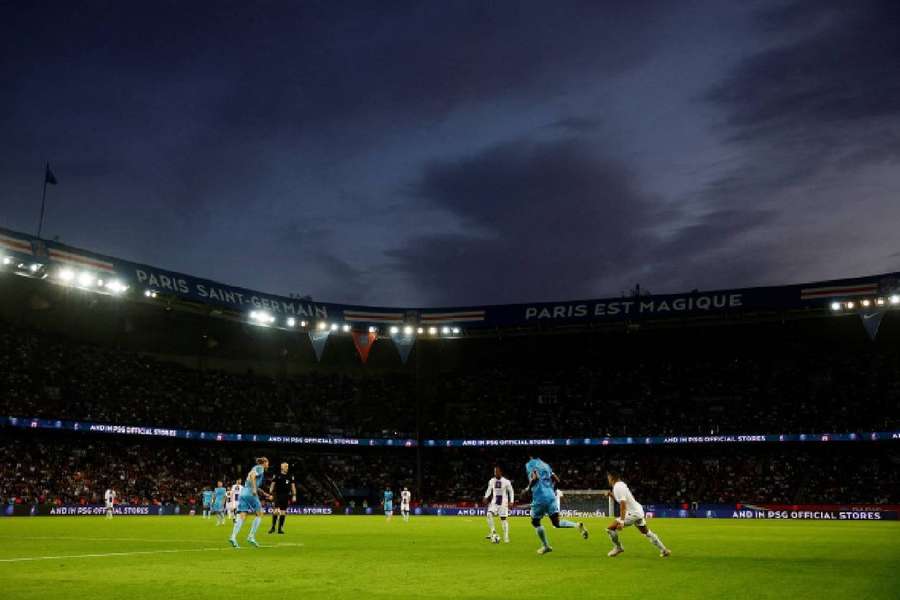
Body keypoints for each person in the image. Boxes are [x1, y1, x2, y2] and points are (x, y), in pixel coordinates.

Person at [524, 458, 588, 555]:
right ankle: (577, 525)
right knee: (556, 523)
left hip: (540, 498)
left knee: (535, 522)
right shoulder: (546, 466)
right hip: (551, 496)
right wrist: (551, 489)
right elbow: (557, 480)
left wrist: (527, 488)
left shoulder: (531, 465)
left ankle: (546, 546)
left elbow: (535, 477)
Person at [605, 471, 670, 558]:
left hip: (632, 513)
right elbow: (622, 501)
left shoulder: (617, 487)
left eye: (608, 477)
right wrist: (611, 495)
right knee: (646, 532)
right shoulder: (621, 484)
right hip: (638, 510)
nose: (607, 479)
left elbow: (623, 505)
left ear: (611, 477)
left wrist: (622, 521)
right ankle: (664, 550)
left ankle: (618, 547)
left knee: (610, 529)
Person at [229, 457, 271, 548]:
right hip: (250, 493)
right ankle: (251, 536)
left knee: (242, 516)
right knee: (260, 514)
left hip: (243, 492)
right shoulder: (260, 468)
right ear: (263, 463)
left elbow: (252, 481)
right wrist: (254, 489)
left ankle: (233, 537)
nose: (268, 465)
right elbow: (252, 477)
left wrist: (264, 493)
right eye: (267, 463)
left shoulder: (254, 468)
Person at [483, 466, 514, 543]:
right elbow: (489, 490)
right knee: (489, 514)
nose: (495, 473)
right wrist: (486, 497)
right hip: (494, 502)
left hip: (503, 502)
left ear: (500, 472)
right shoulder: (491, 481)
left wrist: (511, 501)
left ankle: (506, 536)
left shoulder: (506, 481)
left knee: (503, 519)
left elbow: (511, 491)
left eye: (497, 472)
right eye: (494, 472)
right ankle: (493, 532)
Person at [268, 462, 297, 534]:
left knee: (283, 512)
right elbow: (272, 485)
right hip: (277, 495)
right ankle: (273, 527)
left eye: (287, 466)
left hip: (286, 495)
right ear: (282, 467)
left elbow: (293, 486)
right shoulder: (277, 475)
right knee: (276, 511)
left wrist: (294, 495)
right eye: (286, 466)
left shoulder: (290, 476)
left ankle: (280, 529)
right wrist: (270, 494)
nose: (287, 467)